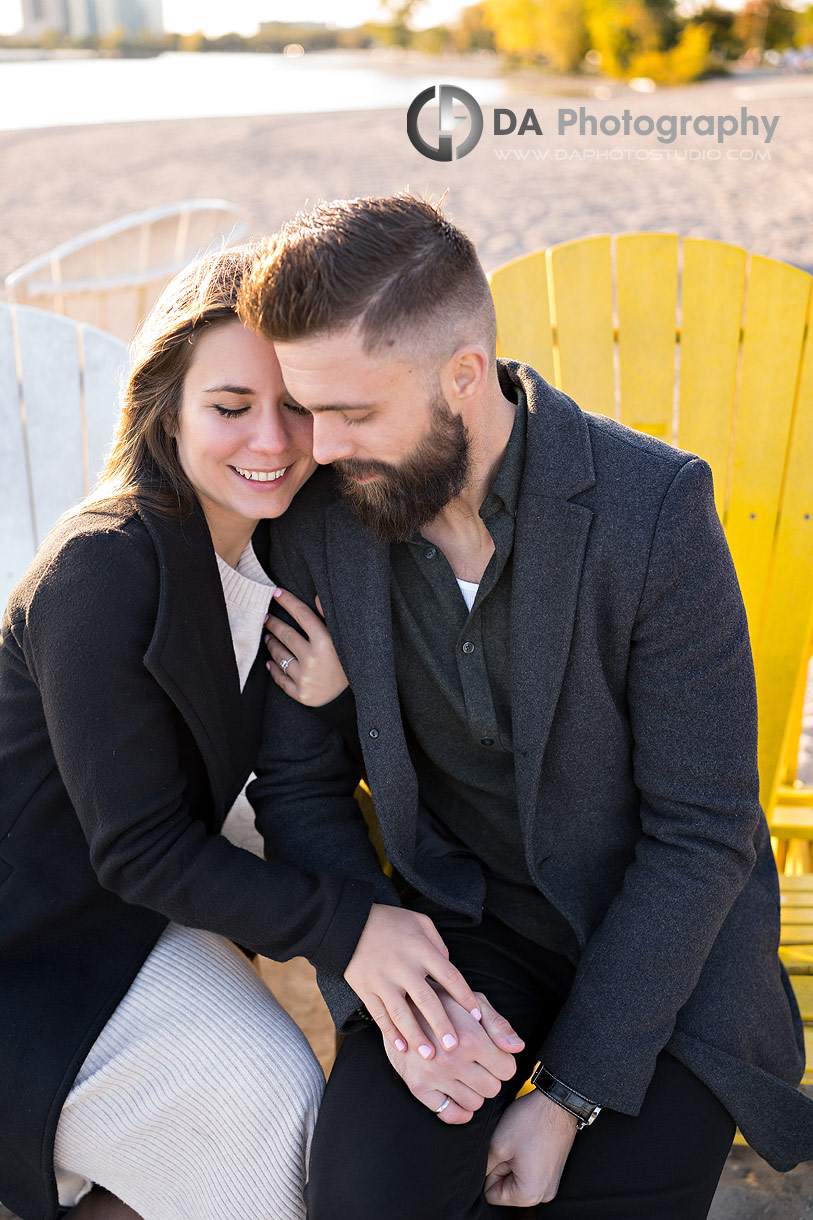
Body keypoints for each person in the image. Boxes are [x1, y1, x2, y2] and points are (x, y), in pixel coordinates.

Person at [241, 194, 813, 1220]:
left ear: (465, 374)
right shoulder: (321, 517)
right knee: (369, 1196)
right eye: (307, 407)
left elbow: (703, 833)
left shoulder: (653, 513)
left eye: (354, 412)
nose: (317, 447)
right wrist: (383, 970)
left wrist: (565, 1094)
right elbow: (299, 779)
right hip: (461, 932)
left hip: (662, 954)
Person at [0, 243, 484, 1220]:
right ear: (166, 406)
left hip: (134, 913)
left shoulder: (278, 550)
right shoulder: (104, 569)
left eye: (295, 407)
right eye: (230, 406)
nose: (271, 437)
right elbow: (139, 844)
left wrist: (340, 698)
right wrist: (354, 928)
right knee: (275, 1116)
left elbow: (311, 769)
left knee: (282, 1132)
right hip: (37, 955)